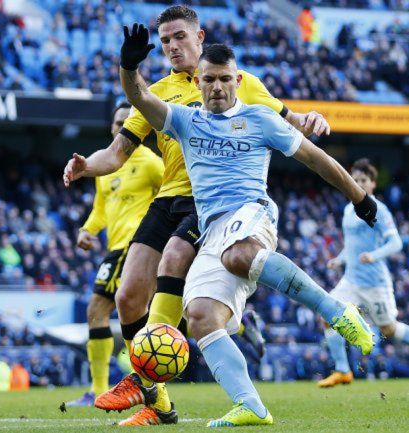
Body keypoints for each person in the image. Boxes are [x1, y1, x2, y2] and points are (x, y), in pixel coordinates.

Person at [63, 5, 330, 426]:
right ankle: (159, 402)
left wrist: (310, 119)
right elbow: (116, 153)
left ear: (199, 37)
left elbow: (293, 122)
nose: (171, 46)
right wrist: (85, 166)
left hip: (209, 202)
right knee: (128, 298)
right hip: (167, 200)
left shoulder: (239, 81)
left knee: (174, 263)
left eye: (179, 37)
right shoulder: (157, 93)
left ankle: (141, 377)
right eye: (164, 40)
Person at [118, 25, 375, 427]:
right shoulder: (184, 121)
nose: (217, 87)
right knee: (200, 316)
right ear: (198, 83)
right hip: (211, 230)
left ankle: (337, 311)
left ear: (238, 80)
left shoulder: (260, 119)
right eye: (209, 80)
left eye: (224, 79)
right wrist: (129, 66)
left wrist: (360, 199)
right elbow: (140, 97)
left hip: (252, 213)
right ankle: (251, 405)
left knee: (239, 254)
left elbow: (316, 159)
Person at [66, 102, 164, 407]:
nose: (122, 127)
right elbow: (100, 209)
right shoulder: (104, 168)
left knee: (97, 310)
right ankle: (237, 323)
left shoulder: (152, 164)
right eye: (118, 123)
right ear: (112, 128)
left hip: (136, 246)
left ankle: (100, 390)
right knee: (163, 313)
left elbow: (171, 199)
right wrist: (88, 230)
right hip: (116, 247)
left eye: (128, 122)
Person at [318, 159, 409, 388]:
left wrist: (374, 255)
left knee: (389, 329)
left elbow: (396, 242)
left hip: (375, 283)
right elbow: (353, 244)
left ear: (373, 184)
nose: (358, 184)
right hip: (351, 280)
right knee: (327, 314)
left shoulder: (378, 209)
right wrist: (340, 259)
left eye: (363, 180)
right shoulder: (348, 210)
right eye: (355, 180)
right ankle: (343, 370)